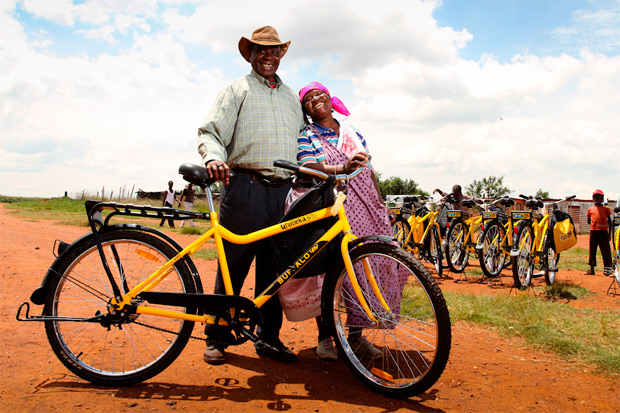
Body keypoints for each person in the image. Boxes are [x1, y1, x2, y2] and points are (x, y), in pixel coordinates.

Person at [196, 26, 305, 365]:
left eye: (273, 51)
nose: (267, 56)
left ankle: (268, 338)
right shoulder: (237, 89)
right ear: (251, 55)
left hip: (284, 193)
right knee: (233, 266)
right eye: (260, 50)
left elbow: (304, 141)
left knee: (275, 273)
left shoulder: (291, 98)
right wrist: (214, 157)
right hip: (245, 187)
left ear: (280, 56)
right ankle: (217, 336)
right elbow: (211, 131)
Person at [282, 81, 398, 361]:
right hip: (328, 205)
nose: (315, 100)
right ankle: (325, 337)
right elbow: (309, 166)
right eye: (308, 99)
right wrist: (341, 168)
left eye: (319, 94)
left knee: (363, 267)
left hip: (363, 207)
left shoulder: (353, 132)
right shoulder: (306, 134)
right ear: (306, 109)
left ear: (330, 98)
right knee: (327, 271)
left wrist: (380, 203)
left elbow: (369, 170)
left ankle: (356, 337)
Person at [585, 189, 613, 276]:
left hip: (604, 233)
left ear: (602, 199)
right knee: (592, 251)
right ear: (593, 198)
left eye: (600, 198)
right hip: (593, 232)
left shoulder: (606, 209)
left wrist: (609, 234)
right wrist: (595, 225)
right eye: (596, 197)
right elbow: (588, 220)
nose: (598, 199)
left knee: (606, 251)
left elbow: (610, 221)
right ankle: (591, 269)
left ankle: (608, 270)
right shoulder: (591, 209)